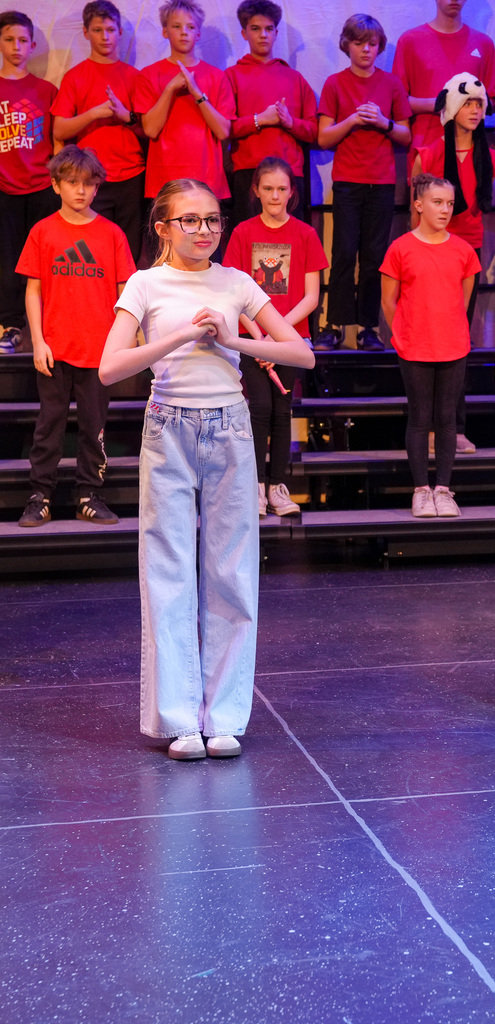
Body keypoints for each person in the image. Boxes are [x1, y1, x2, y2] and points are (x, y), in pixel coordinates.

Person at [99, 178, 315, 761]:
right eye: (190, 221)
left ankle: (222, 715)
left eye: (213, 220)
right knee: (168, 570)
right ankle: (179, 720)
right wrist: (176, 337)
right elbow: (109, 367)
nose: (205, 231)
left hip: (230, 426)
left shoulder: (237, 282)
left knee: (230, 571)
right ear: (163, 227)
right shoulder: (144, 283)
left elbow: (301, 352)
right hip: (168, 426)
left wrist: (233, 340)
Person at [15, 145, 135, 527]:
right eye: (72, 182)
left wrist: (126, 342)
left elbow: (125, 293)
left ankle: (88, 495)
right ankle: (40, 497)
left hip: (99, 353)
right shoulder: (43, 230)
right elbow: (33, 290)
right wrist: (38, 341)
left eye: (88, 183)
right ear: (55, 185)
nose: (81, 190)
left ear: (98, 187)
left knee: (93, 427)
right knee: (48, 426)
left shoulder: (112, 233)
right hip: (54, 349)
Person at [224, 156, 327, 516]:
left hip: (290, 340)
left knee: (283, 411)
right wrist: (261, 338)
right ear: (256, 191)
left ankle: (278, 487)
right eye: (268, 188)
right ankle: (252, 487)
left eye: (282, 189)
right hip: (250, 336)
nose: (275, 195)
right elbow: (234, 293)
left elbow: (311, 296)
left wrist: (277, 338)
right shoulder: (242, 232)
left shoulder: (305, 233)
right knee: (259, 409)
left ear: (291, 193)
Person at [380, 174, 480, 518]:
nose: (445, 209)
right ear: (419, 205)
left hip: (453, 345)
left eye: (450, 203)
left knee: (448, 419)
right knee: (420, 418)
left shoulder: (463, 251)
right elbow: (389, 302)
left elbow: (463, 300)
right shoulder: (401, 248)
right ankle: (422, 490)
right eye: (438, 202)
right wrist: (407, 332)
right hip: (415, 346)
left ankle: (444, 490)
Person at [411, 70, 495, 454]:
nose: (475, 110)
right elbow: (417, 215)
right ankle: (426, 428)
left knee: (458, 339)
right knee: (426, 337)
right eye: (468, 102)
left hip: (468, 251)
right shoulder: (428, 154)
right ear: (451, 107)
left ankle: (454, 427)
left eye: (480, 103)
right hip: (430, 252)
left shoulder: (490, 156)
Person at [316, 13, 411, 352]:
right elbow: (324, 137)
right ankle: (336, 324)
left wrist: (383, 122)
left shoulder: (391, 84)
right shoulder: (334, 83)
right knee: (343, 253)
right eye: (359, 43)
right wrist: (353, 120)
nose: (366, 50)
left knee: (374, 257)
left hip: (382, 182)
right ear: (347, 45)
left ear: (379, 47)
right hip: (346, 181)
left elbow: (406, 134)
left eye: (372, 44)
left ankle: (369, 327)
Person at [51, 1, 146, 264]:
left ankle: (127, 304)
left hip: (131, 175)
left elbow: (149, 129)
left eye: (110, 29)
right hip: (90, 179)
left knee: (129, 253)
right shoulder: (75, 77)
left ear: (119, 33)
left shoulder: (134, 77)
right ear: (85, 32)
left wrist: (124, 116)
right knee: (91, 253)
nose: (105, 36)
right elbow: (59, 128)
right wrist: (94, 113)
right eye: (97, 30)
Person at [225, 0, 318, 226]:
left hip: (289, 173)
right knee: (248, 243)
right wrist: (259, 120)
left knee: (289, 244)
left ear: (276, 33)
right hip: (248, 172)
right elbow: (226, 128)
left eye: (268, 29)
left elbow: (314, 131)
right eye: (255, 29)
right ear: (244, 33)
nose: (263, 35)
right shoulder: (231, 75)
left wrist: (289, 123)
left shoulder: (295, 78)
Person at [134, 1, 235, 205]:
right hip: (164, 181)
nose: (184, 33)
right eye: (176, 26)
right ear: (165, 31)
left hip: (208, 179)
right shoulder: (148, 75)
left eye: (190, 27)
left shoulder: (217, 76)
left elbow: (223, 132)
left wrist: (197, 93)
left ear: (198, 34)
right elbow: (151, 130)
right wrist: (170, 89)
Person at [0, 11, 59, 353]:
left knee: (44, 260)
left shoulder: (45, 90)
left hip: (40, 187)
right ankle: (10, 325)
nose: (16, 46)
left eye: (23, 40)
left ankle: (48, 323)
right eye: (9, 39)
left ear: (32, 45)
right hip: (5, 190)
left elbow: (59, 138)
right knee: (7, 260)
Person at [392, 0, 495, 155]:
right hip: (425, 150)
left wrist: (466, 105)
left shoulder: (484, 44)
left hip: (470, 151)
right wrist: (440, 103)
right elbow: (397, 102)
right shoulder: (410, 41)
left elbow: (494, 100)